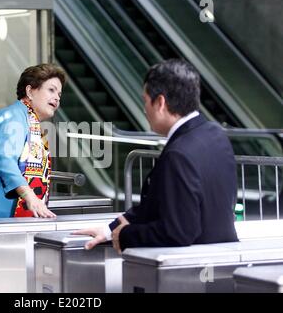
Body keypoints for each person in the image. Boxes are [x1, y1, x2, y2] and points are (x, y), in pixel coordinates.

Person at [75, 59, 238, 252]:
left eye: (145, 101)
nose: (144, 109)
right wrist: (109, 230)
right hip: (222, 262)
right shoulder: (215, 134)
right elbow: (163, 204)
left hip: (186, 269)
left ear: (160, 102)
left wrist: (125, 235)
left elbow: (178, 231)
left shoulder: (178, 154)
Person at [0, 63, 66, 219]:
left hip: (2, 218)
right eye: (51, 90)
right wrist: (30, 196)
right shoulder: (12, 118)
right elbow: (5, 160)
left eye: (59, 94)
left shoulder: (29, 123)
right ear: (30, 91)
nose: (56, 97)